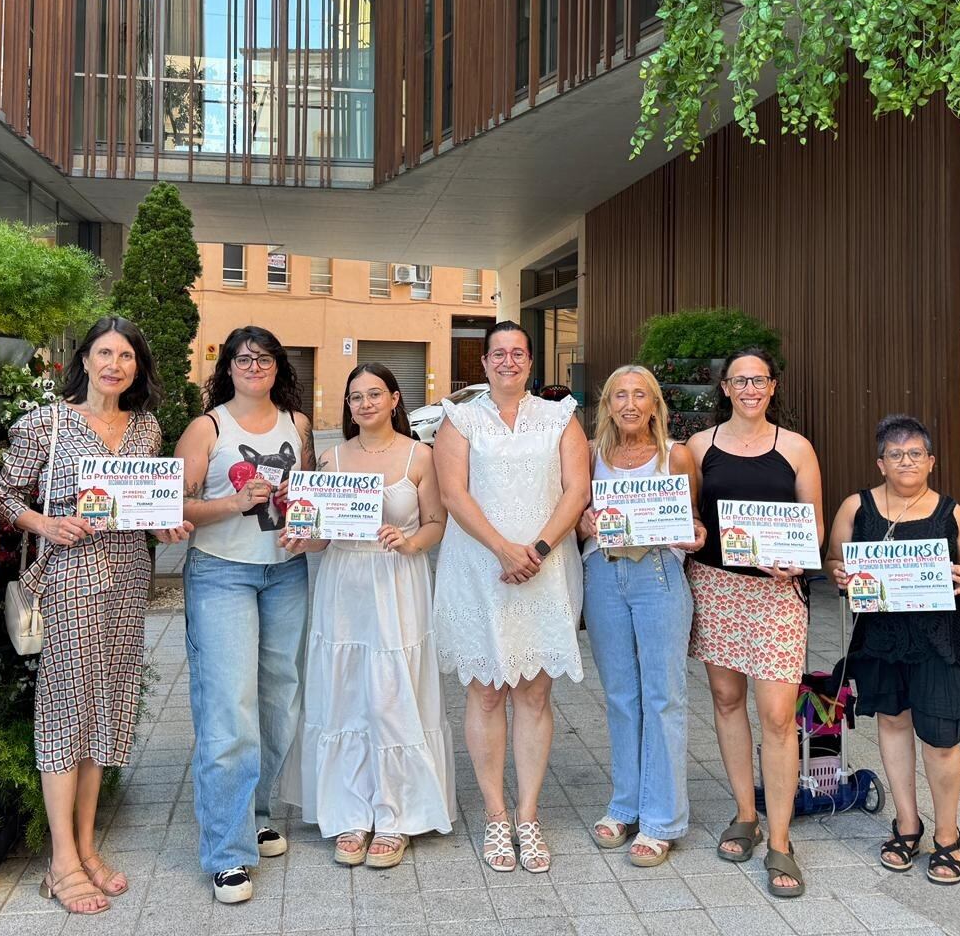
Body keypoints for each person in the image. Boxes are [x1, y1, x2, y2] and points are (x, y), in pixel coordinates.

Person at [0, 317, 192, 915]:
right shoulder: (45, 424)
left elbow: (138, 504)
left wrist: (163, 522)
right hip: (69, 578)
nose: (114, 364)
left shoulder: (147, 427)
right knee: (65, 707)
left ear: (137, 366)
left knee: (108, 702)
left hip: (129, 576)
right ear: (84, 360)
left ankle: (85, 847)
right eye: (104, 353)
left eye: (126, 355)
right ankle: (60, 862)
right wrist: (44, 523)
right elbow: (1, 496)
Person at [433, 320, 590, 874]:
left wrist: (539, 548)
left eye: (517, 353)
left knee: (533, 694)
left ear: (530, 361)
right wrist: (503, 548)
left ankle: (528, 815)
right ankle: (495, 816)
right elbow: (452, 493)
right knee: (486, 694)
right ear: (483, 363)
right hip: (479, 569)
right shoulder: (459, 419)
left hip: (544, 570)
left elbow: (578, 490)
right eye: (497, 354)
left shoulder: (560, 417)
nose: (507, 362)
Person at [286, 363, 455, 867]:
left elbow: (436, 523)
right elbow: (319, 533)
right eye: (355, 396)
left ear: (395, 399)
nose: (364, 404)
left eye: (374, 394)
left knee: (392, 694)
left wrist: (409, 541)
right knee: (345, 695)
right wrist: (300, 538)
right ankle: (350, 812)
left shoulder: (420, 456)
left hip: (398, 583)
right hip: (344, 586)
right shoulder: (332, 458)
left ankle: (398, 814)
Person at [175, 326, 316, 904]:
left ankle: (254, 810)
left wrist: (307, 528)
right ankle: (228, 852)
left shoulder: (298, 425)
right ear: (227, 366)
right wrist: (232, 503)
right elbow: (176, 503)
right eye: (243, 358)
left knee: (280, 698)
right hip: (221, 573)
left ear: (279, 367)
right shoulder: (207, 427)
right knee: (229, 707)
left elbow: (308, 495)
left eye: (264, 358)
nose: (253, 365)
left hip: (285, 574)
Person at [826, 413, 960, 886]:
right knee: (893, 723)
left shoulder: (949, 511)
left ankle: (947, 836)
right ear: (881, 463)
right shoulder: (857, 508)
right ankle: (906, 824)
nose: (905, 461)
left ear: (930, 461)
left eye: (914, 453)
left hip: (939, 641)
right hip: (880, 639)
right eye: (895, 454)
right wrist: (838, 572)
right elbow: (833, 558)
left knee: (941, 739)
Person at [684, 347, 823, 898]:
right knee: (724, 700)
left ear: (772, 386)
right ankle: (746, 813)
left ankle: (781, 840)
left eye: (758, 380)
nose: (749, 388)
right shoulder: (699, 447)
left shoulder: (797, 448)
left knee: (778, 715)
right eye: (739, 380)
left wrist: (797, 557)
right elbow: (690, 516)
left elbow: (810, 527)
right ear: (724, 388)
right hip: (717, 587)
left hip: (776, 593)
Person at [575, 366, 704, 867]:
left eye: (640, 395)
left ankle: (663, 819)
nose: (630, 404)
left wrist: (696, 533)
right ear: (607, 404)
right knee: (621, 698)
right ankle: (625, 803)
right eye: (619, 395)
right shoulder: (590, 455)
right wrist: (583, 521)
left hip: (658, 576)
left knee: (664, 697)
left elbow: (695, 522)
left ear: (655, 404)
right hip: (604, 576)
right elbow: (575, 513)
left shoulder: (678, 456)